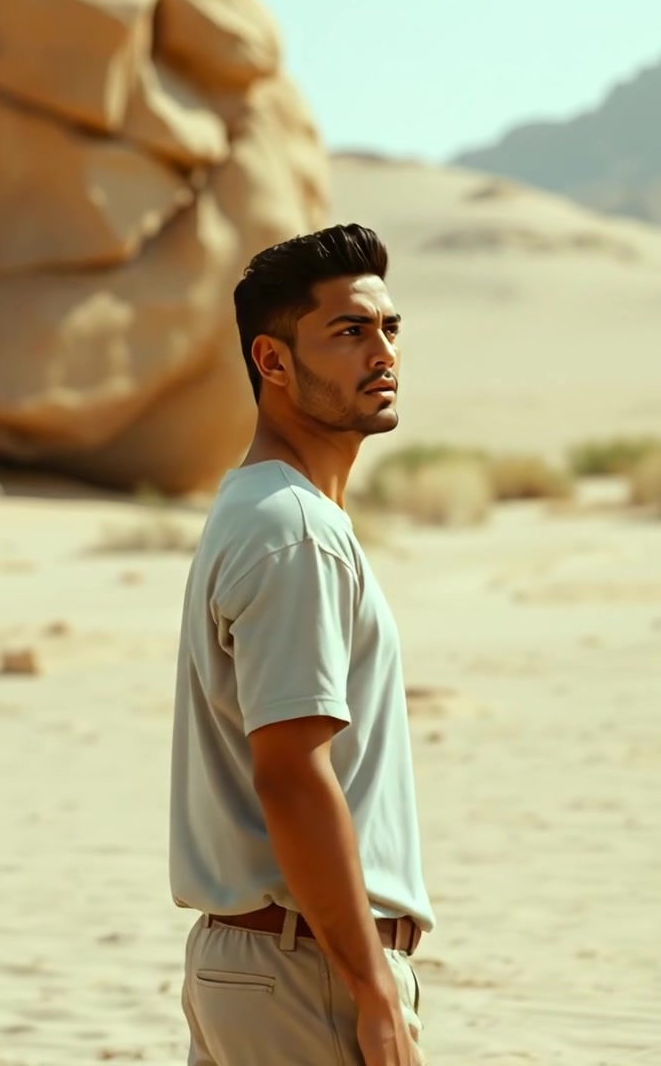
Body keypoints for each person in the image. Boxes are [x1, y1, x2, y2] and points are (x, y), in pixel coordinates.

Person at [170, 223, 435, 1065]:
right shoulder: (294, 532)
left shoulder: (261, 509)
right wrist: (372, 989)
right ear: (273, 362)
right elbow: (290, 774)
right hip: (304, 974)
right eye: (349, 332)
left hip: (266, 968)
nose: (382, 353)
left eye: (389, 329)